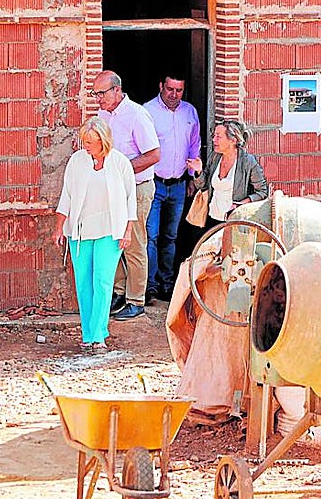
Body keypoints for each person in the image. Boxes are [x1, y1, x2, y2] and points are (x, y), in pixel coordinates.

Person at [52, 117, 137, 351]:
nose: (86, 145)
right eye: (85, 141)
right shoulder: (76, 161)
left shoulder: (120, 163)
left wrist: (128, 231)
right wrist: (59, 227)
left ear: (103, 140)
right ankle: (88, 333)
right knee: (83, 283)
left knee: (103, 281)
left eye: (91, 141)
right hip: (80, 231)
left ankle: (99, 334)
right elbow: (66, 196)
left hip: (111, 230)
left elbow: (131, 200)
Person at [92, 70, 160, 321]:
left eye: (101, 93)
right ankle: (119, 291)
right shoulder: (103, 115)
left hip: (137, 187)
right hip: (112, 188)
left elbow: (154, 155)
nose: (98, 99)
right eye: (95, 93)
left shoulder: (136, 115)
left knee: (134, 242)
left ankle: (136, 299)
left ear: (116, 91)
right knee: (114, 241)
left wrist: (123, 169)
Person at [142, 74, 202, 303]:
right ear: (161, 86)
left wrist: (191, 178)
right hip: (154, 183)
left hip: (178, 185)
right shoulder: (147, 111)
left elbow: (194, 145)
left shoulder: (190, 112)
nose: (173, 95)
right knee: (151, 236)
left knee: (171, 236)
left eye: (178, 90)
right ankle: (150, 287)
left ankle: (167, 285)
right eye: (169, 89)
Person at [190, 120, 271, 230]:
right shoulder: (215, 157)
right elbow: (203, 187)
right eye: (214, 136)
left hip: (234, 221)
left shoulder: (248, 162)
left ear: (233, 140)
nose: (214, 140)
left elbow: (262, 192)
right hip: (212, 218)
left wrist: (240, 205)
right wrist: (199, 171)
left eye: (219, 136)